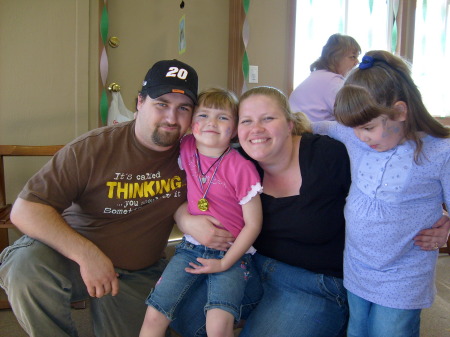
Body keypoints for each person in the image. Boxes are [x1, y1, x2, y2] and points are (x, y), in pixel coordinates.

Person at [170, 86, 450, 337]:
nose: (256, 129)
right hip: (251, 267)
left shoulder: (329, 155)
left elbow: (387, 183)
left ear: (290, 123)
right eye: (246, 121)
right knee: (182, 315)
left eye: (268, 118)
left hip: (315, 283)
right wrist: (184, 218)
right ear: (236, 130)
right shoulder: (239, 161)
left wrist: (439, 216)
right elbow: (199, 196)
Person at [0, 59, 198, 337]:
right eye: (161, 104)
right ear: (140, 102)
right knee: (24, 269)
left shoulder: (197, 157)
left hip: (138, 271)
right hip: (71, 257)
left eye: (183, 108)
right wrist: (87, 255)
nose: (171, 118)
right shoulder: (93, 148)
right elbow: (25, 210)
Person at [313, 50, 450, 337]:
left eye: (369, 128)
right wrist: (288, 123)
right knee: (358, 330)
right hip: (358, 265)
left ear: (400, 112)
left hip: (405, 272)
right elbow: (324, 126)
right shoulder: (355, 135)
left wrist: (446, 228)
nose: (361, 136)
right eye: (355, 129)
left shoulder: (441, 151)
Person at [139, 88, 263, 337]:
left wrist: (225, 262)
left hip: (231, 255)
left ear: (236, 127)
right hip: (190, 248)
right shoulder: (185, 147)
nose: (211, 123)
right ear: (192, 123)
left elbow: (253, 224)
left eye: (223, 117)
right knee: (155, 313)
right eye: (203, 115)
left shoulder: (241, 168)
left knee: (217, 325)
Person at [289, 33, 361, 122]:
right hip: (310, 132)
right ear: (336, 57)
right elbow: (354, 115)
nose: (357, 62)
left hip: (298, 129)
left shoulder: (318, 76)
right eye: (353, 57)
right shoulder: (333, 81)